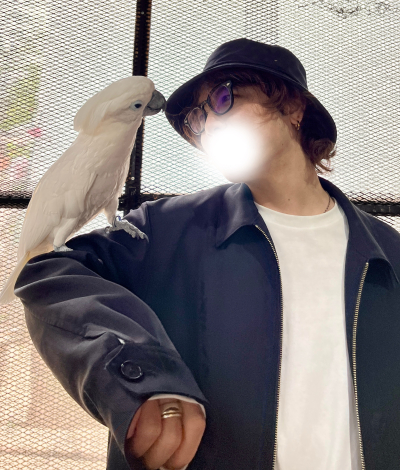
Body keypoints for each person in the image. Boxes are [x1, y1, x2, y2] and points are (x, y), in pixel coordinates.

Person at [14, 38, 400, 470]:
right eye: (197, 119)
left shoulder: (387, 254)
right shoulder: (164, 228)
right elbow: (47, 278)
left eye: (222, 99)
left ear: (294, 107)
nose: (208, 127)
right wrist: (143, 375)